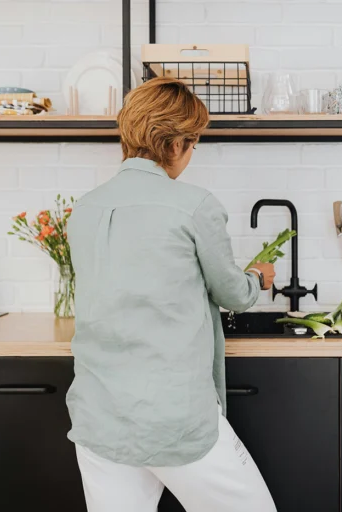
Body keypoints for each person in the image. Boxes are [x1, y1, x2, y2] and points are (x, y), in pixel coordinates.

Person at [66, 77, 277, 512]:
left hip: (100, 415)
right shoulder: (194, 205)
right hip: (175, 419)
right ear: (177, 143)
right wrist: (258, 276)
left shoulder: (84, 209)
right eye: (194, 142)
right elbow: (234, 294)